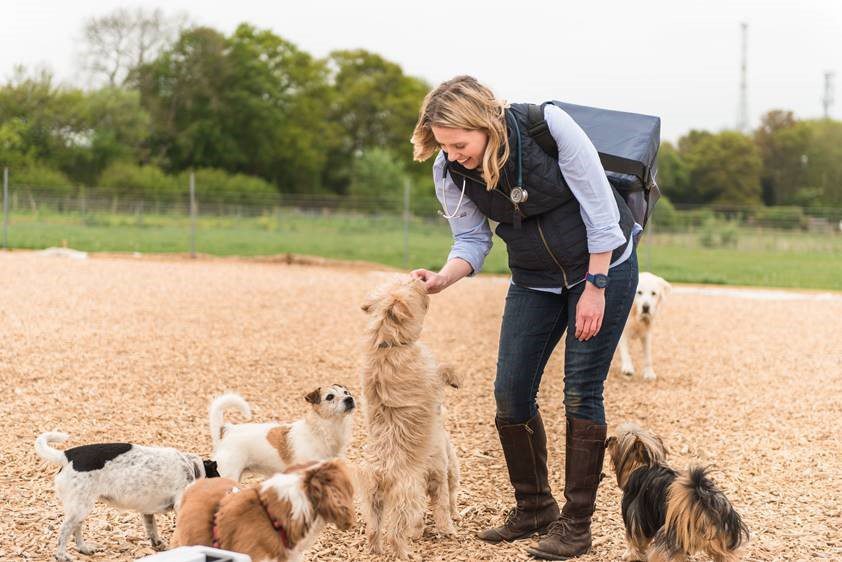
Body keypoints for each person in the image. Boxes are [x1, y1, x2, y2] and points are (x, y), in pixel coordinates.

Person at [409, 76, 639, 560]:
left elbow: (601, 212)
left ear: (485, 124)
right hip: (533, 278)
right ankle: (534, 507)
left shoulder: (547, 126)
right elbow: (472, 241)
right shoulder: (448, 170)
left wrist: (595, 288)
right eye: (444, 146)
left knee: (580, 388)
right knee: (510, 392)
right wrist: (440, 280)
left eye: (459, 144)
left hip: (602, 267)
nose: (452, 155)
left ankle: (576, 526)